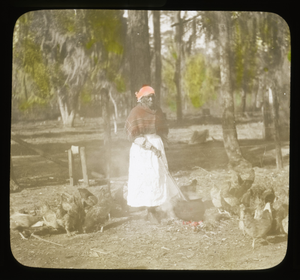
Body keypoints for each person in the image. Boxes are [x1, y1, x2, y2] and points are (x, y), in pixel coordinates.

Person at [125, 85, 181, 223]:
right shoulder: (135, 112)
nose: (151, 100)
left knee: (159, 176)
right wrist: (149, 146)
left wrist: (162, 143)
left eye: (152, 97)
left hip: (157, 143)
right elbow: (133, 135)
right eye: (148, 97)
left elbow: (162, 128)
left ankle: (160, 207)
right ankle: (150, 211)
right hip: (142, 149)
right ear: (142, 99)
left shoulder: (157, 111)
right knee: (146, 178)